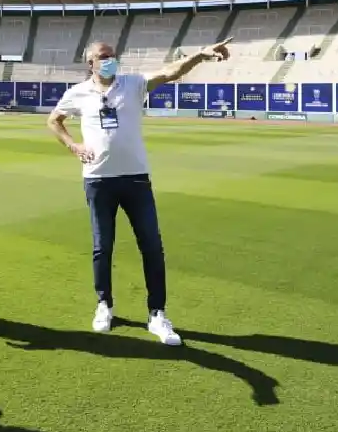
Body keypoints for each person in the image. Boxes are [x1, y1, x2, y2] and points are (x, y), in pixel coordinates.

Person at [46, 38, 231, 345]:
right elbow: (54, 120)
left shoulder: (132, 84)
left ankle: (157, 314)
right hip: (98, 179)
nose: (110, 60)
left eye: (113, 56)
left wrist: (199, 55)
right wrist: (73, 145)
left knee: (151, 246)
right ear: (90, 63)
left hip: (135, 179)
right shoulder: (77, 93)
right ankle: (104, 305)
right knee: (102, 247)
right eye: (103, 57)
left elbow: (170, 72)